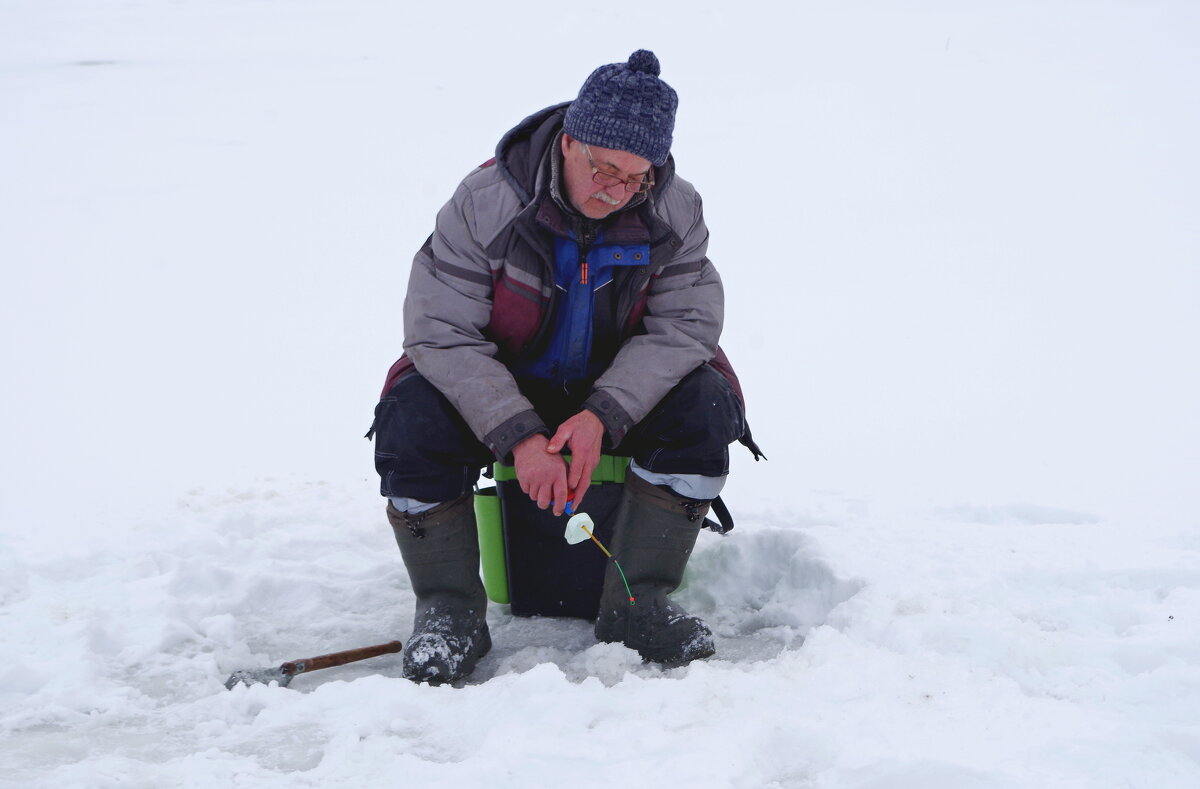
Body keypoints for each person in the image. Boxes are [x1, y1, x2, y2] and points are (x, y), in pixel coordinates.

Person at [369, 50, 761, 684]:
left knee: (708, 405)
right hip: (504, 383)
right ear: (570, 142)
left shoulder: (675, 210)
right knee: (411, 415)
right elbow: (440, 332)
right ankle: (449, 611)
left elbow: (686, 326)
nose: (617, 189)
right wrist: (520, 435)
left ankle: (639, 605)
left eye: (637, 177)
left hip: (615, 391)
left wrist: (602, 416)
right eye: (605, 168)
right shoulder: (485, 200)